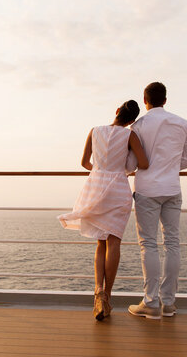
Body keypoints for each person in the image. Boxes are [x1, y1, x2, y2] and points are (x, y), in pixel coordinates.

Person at [58, 100, 149, 321]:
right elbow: (144, 163)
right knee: (114, 242)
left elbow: (84, 163)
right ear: (131, 121)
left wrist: (100, 171)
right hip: (118, 190)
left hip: (95, 188)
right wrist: (124, 166)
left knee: (100, 242)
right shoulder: (130, 136)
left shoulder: (94, 131)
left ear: (117, 111)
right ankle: (107, 296)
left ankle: (98, 291)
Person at [126, 82, 187, 319]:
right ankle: (169, 303)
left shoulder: (138, 126)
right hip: (172, 188)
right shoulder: (182, 123)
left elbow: (131, 164)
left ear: (145, 101)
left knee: (149, 244)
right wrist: (168, 167)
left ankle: (151, 302)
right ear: (165, 100)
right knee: (173, 244)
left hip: (147, 190)